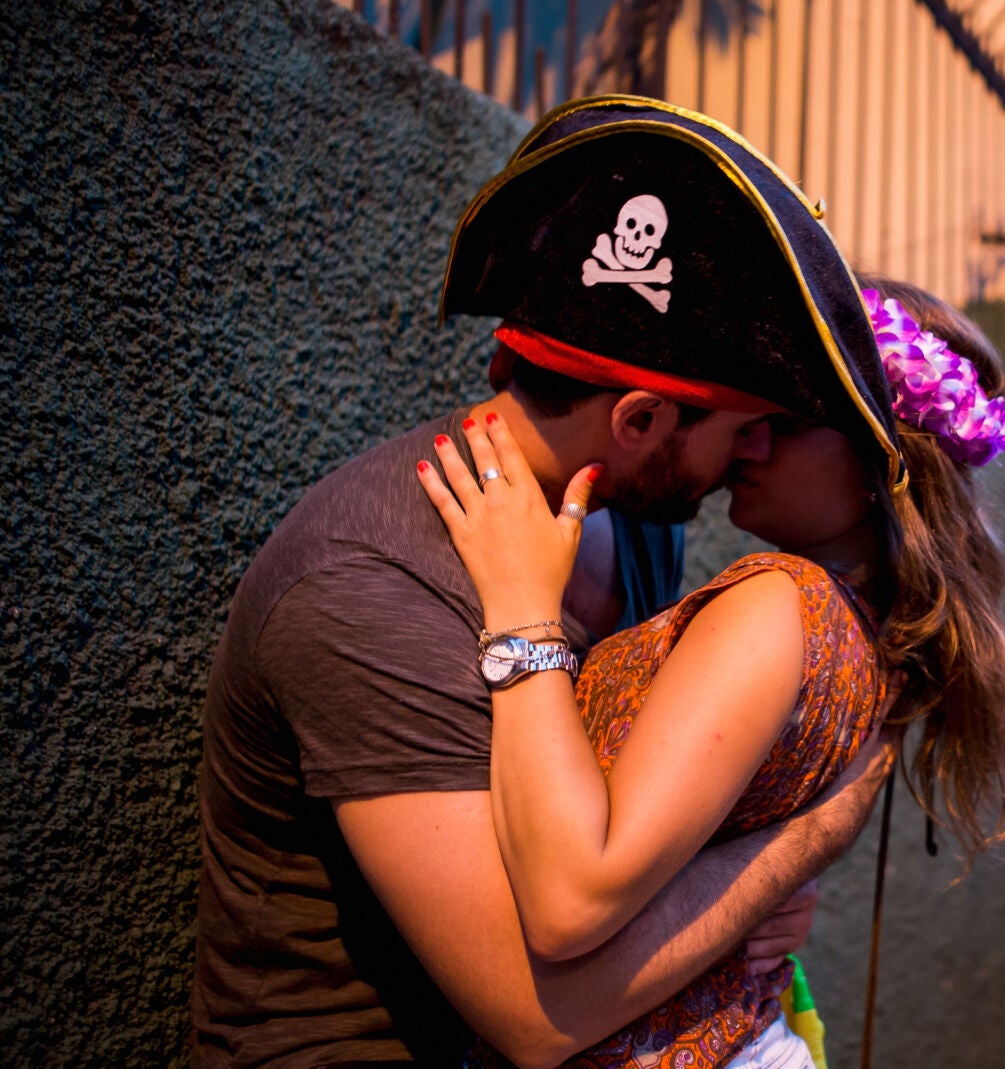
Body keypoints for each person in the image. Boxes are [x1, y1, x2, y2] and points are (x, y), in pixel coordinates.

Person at [191, 98, 901, 1067]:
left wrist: (741, 889)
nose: (757, 455)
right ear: (641, 422)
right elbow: (534, 1015)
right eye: (743, 427)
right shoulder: (367, 587)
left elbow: (623, 827)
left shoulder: (628, 523)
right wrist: (803, 840)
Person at [421, 276, 1005, 1068]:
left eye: (790, 421)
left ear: (889, 461)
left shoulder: (782, 605)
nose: (749, 440)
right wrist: (772, 876)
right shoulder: (869, 636)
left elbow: (569, 902)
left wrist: (525, 614)